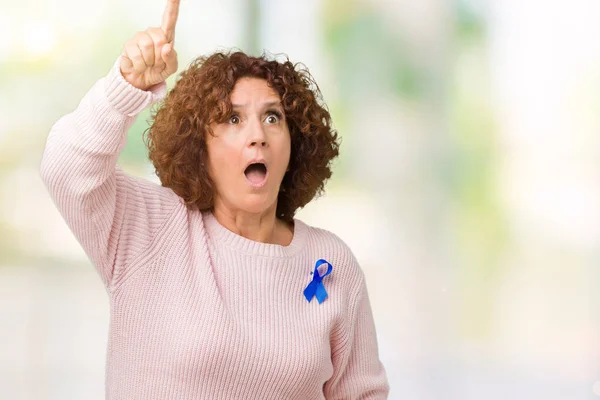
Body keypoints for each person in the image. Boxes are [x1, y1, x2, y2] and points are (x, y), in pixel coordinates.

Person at [40, 0, 390, 398]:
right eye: (232, 118)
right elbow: (64, 167)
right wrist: (126, 86)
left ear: (295, 143)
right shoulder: (150, 229)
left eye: (272, 117)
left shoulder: (330, 264)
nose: (257, 134)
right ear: (199, 147)